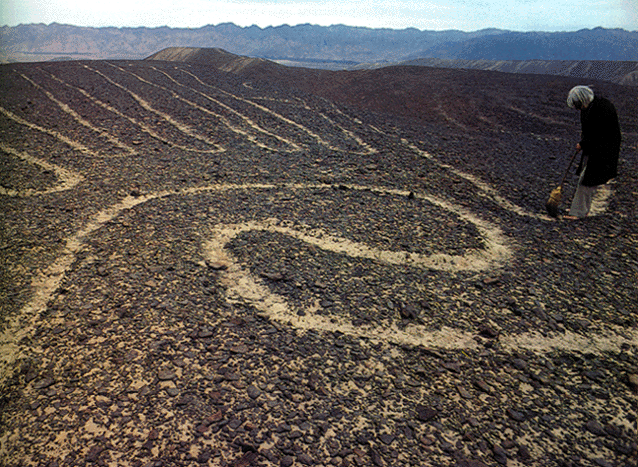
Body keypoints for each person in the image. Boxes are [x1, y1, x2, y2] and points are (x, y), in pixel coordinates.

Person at [565, 85, 621, 219]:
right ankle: (583, 208)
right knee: (586, 175)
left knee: (587, 180)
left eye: (578, 105)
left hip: (603, 150)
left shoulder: (602, 108)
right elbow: (588, 130)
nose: (577, 108)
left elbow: (598, 133)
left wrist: (583, 143)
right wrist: (583, 143)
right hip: (593, 148)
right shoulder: (589, 107)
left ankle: (578, 213)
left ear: (583, 99)